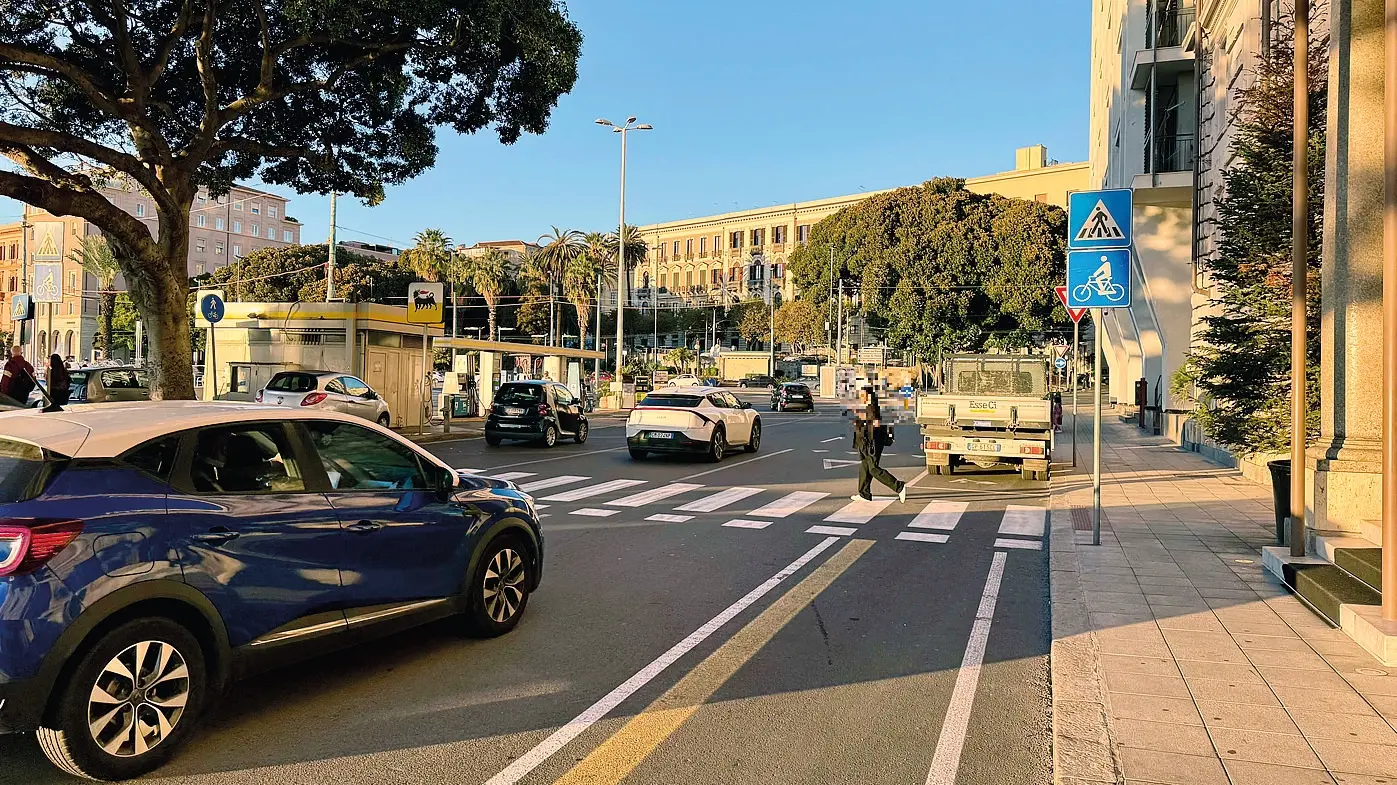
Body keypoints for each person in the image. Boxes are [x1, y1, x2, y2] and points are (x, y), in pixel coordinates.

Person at [853, 386, 906, 503]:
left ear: (869, 396)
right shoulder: (865, 407)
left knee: (873, 468)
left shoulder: (872, 407)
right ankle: (864, 493)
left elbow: (875, 424)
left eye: (863, 395)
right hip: (864, 442)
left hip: (872, 442)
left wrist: (863, 419)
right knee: (864, 468)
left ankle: (899, 486)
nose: (861, 397)